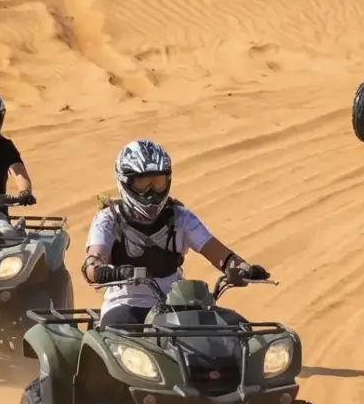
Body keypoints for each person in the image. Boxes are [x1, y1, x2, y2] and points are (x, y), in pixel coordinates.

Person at [81, 139, 266, 327]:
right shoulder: (108, 219)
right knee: (117, 331)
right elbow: (93, 261)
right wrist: (103, 272)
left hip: (176, 307)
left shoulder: (180, 218)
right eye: (143, 183)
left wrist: (243, 268)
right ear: (125, 181)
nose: (151, 193)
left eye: (158, 183)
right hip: (125, 306)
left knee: (238, 330)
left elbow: (220, 254)